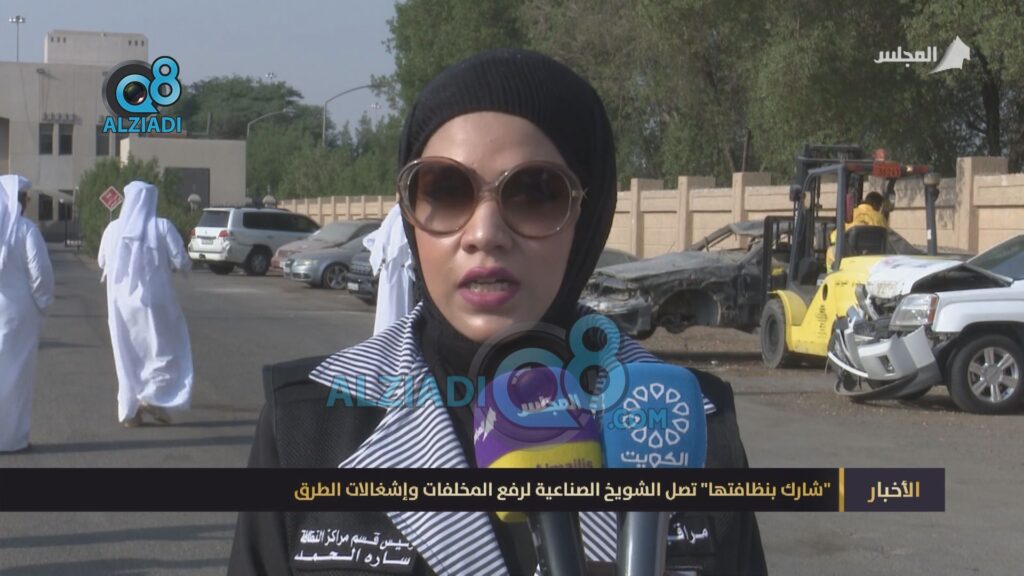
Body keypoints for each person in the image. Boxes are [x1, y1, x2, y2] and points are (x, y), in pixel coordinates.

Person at [229, 49, 766, 575]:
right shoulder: (306, 424)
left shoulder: (692, 422)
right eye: (445, 190)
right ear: (410, 214)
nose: (484, 234)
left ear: (589, 216)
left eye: (535, 192)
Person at [98, 181, 193, 427]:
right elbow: (181, 261)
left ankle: (130, 412)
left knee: (127, 354)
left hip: (120, 306)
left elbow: (101, 261)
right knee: (162, 351)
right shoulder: (162, 226)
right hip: (156, 303)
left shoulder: (112, 229)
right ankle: (153, 398)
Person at [0, 175, 54, 453]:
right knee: (16, 375)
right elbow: (40, 274)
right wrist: (42, 305)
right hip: (17, 312)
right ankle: (11, 439)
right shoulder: (25, 230)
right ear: (21, 200)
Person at [363, 203, 414, 334]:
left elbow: (370, 240)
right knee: (396, 312)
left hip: (391, 273)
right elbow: (404, 246)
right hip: (399, 274)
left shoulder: (393, 219)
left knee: (389, 313)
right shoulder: (401, 221)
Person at [827, 191, 889, 268]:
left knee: (830, 251)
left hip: (850, 259)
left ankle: (832, 273)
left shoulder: (851, 214)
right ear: (875, 204)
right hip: (873, 261)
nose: (879, 209)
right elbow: (887, 239)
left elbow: (835, 237)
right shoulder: (880, 218)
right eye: (879, 207)